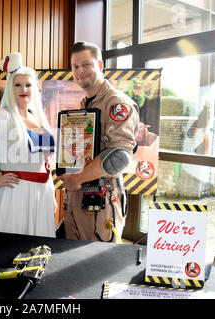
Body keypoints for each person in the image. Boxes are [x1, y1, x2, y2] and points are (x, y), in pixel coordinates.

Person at [0, 52, 57, 237]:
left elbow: (44, 163)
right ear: (10, 89)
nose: (24, 89)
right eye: (18, 85)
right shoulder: (1, 116)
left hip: (41, 196)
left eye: (28, 85)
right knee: (11, 251)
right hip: (14, 196)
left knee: (35, 253)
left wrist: (51, 192)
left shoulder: (39, 119)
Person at [59, 41, 139, 242]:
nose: (80, 71)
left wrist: (76, 179)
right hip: (76, 198)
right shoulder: (82, 105)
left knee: (97, 266)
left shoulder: (117, 103)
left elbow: (120, 156)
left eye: (86, 64)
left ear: (100, 65)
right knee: (71, 262)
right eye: (75, 66)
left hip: (101, 201)